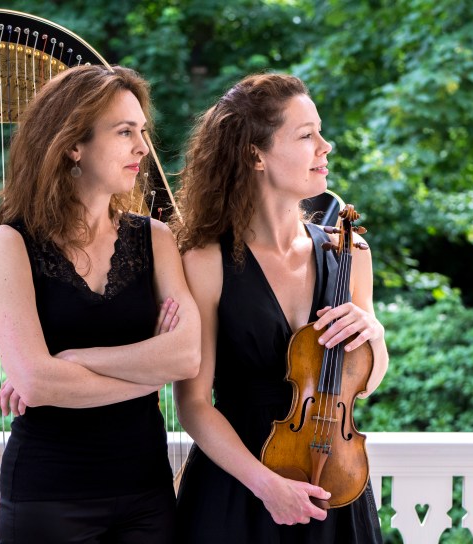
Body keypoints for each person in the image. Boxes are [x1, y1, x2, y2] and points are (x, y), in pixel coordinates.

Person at [0, 64, 201, 544]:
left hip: (147, 494)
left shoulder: (155, 239)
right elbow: (35, 383)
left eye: (142, 131)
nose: (142, 147)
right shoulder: (10, 244)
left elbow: (187, 357)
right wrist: (150, 372)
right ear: (73, 145)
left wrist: (74, 361)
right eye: (124, 132)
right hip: (48, 497)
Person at [171, 73, 389, 543]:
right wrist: (266, 485)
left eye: (320, 133)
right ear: (256, 155)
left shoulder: (350, 252)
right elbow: (192, 403)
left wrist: (374, 333)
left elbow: (367, 384)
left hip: (334, 480)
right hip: (239, 488)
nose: (325, 147)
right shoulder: (205, 260)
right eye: (306, 135)